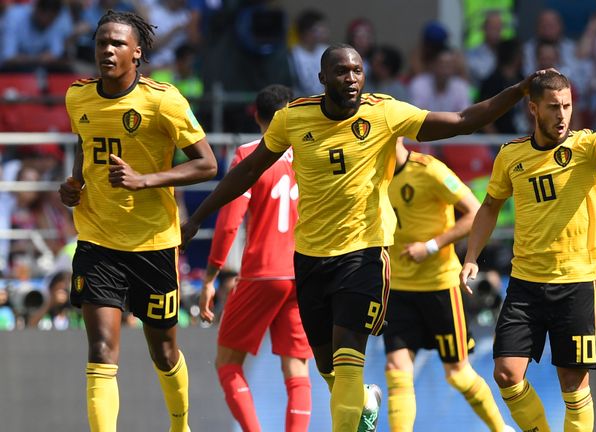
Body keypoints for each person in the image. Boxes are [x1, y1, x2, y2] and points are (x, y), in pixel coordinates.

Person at [181, 43, 547, 432]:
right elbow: (249, 169)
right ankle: (365, 403)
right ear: (322, 79)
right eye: (342, 71)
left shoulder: (384, 112)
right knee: (329, 370)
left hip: (365, 255)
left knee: (348, 360)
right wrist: (197, 218)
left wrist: (519, 90)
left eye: (357, 70)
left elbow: (462, 119)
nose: (352, 78)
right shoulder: (293, 118)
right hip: (308, 258)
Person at [460, 70, 596, 432]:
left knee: (573, 385)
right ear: (533, 108)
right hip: (525, 284)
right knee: (506, 374)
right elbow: (489, 206)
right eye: (554, 107)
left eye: (567, 106)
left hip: (576, 285)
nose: (562, 115)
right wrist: (472, 257)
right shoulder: (511, 156)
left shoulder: (586, 148)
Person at [57, 10, 217, 432]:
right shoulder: (78, 96)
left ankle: (180, 425)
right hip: (97, 239)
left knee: (163, 353)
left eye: (117, 44)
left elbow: (207, 164)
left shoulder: (163, 100)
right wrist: (75, 183)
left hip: (153, 243)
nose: (106, 50)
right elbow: (83, 141)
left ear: (138, 52)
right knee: (101, 348)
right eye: (101, 43)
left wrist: (146, 180)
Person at [199, 84, 313, 432]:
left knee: (227, 362)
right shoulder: (311, 154)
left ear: (256, 115)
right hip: (304, 273)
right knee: (297, 369)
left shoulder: (250, 154)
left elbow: (229, 220)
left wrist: (210, 277)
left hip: (263, 273)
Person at [384, 139, 509, 431]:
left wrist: (430, 246)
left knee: (458, 374)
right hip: (399, 289)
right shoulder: (373, 174)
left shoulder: (430, 171)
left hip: (439, 286)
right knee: (396, 371)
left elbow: (475, 212)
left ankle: (501, 429)